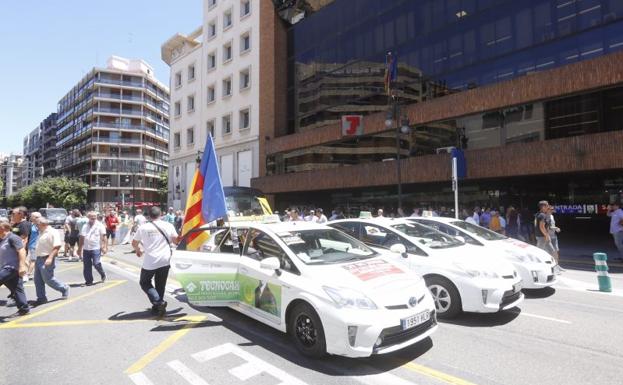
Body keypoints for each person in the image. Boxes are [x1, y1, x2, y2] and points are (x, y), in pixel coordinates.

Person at [132, 207, 178, 316]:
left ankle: (158, 301)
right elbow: (176, 241)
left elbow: (134, 242)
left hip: (151, 260)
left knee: (144, 282)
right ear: (161, 214)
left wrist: (138, 250)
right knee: (160, 284)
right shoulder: (168, 225)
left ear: (148, 216)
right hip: (165, 259)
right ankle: (158, 307)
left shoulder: (143, 227)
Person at [33, 217, 70, 304]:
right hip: (39, 258)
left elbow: (57, 246)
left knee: (48, 279)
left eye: (37, 224)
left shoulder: (53, 232)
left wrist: (50, 258)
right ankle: (41, 298)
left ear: (43, 224)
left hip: (46, 258)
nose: (36, 226)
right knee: (37, 280)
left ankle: (64, 288)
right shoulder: (41, 231)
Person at [0, 219, 30, 315]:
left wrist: (22, 266)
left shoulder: (13, 238)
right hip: (5, 267)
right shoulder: (2, 239)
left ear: (2, 228)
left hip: (12, 267)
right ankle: (24, 308)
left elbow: (22, 251)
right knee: (17, 288)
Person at [77, 211, 107, 286]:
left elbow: (104, 236)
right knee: (87, 266)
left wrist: (104, 247)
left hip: (96, 248)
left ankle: (102, 273)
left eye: (95, 216)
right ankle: (89, 281)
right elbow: (81, 237)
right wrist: (79, 249)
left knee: (96, 263)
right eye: (92, 217)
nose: (93, 218)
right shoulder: (85, 226)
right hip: (86, 248)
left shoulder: (100, 225)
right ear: (88, 217)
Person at [10, 206, 31, 282]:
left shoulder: (24, 224)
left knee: (21, 264)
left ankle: (24, 275)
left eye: (13, 213)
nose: (11, 215)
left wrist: (22, 252)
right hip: (13, 249)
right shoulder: (15, 224)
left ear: (20, 214)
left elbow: (24, 239)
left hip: (19, 249)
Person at [26, 212, 42, 280]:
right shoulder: (32, 224)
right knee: (29, 260)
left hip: (35, 245)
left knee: (32, 260)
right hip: (30, 245)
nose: (30, 217)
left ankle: (27, 274)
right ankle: (35, 273)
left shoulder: (39, 225)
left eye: (32, 216)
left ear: (36, 218)